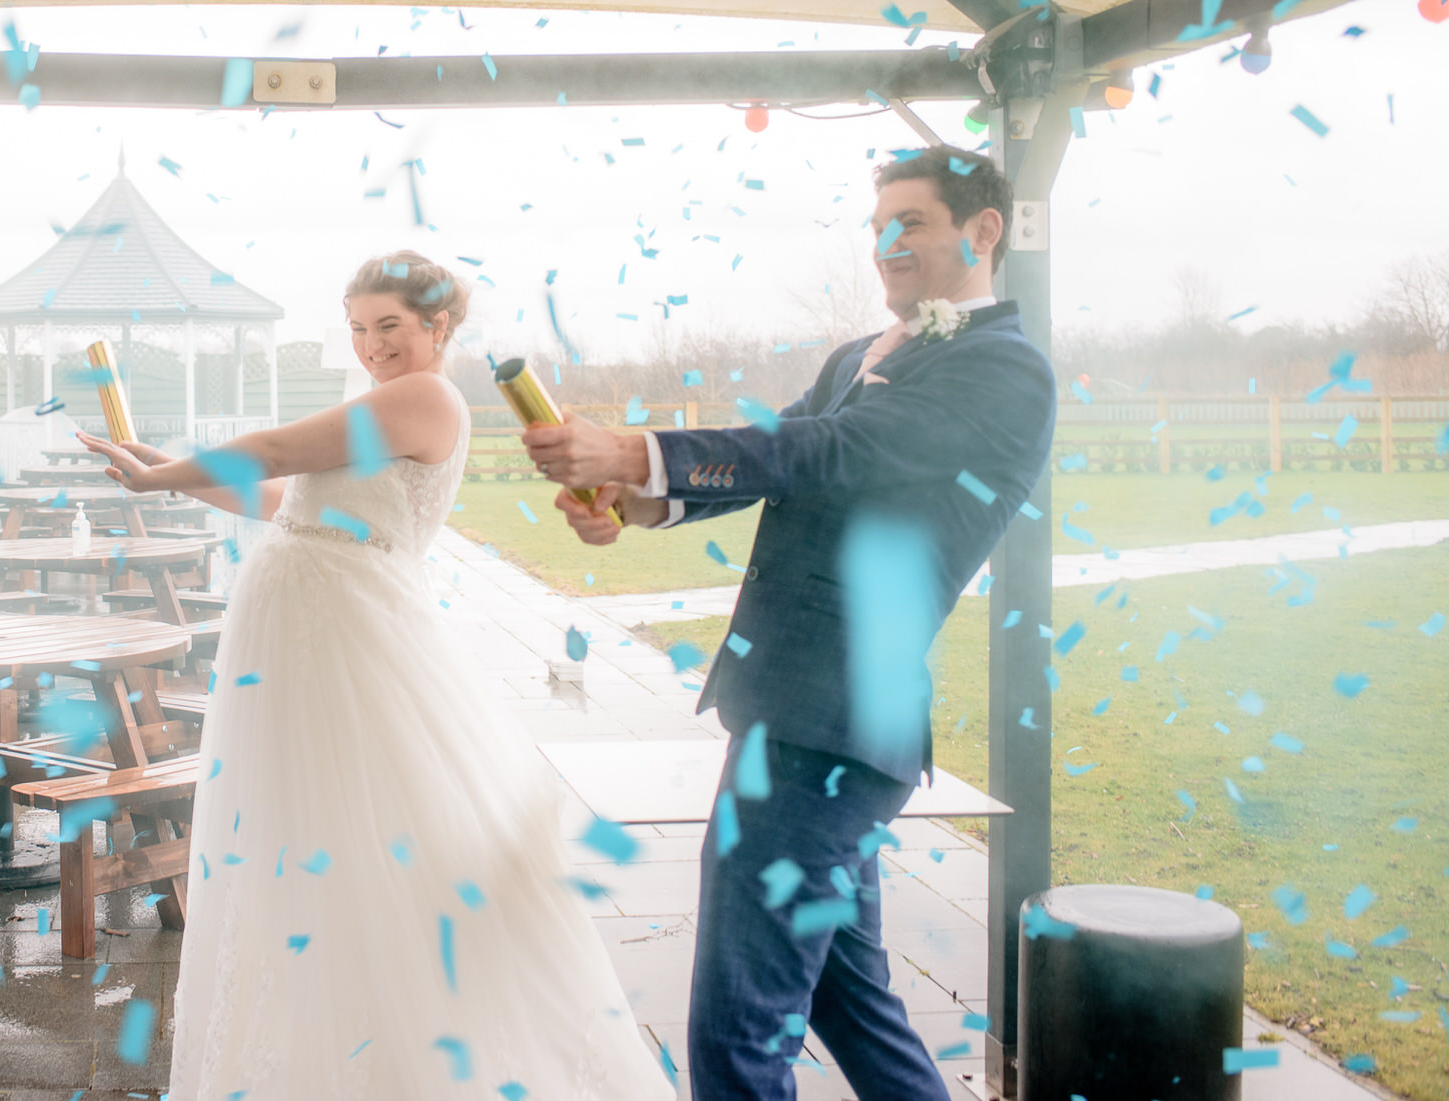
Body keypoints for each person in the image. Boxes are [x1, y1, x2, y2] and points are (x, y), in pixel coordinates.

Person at [523, 146, 1057, 1100]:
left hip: (830, 728)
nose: (887, 243)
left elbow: (835, 448)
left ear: (984, 232)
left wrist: (641, 446)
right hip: (800, 715)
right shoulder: (859, 354)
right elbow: (785, 468)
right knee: (853, 1003)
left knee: (738, 1032)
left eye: (914, 222)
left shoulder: (1007, 371)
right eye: (878, 223)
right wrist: (641, 500)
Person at [80, 251, 674, 1101]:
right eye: (359, 330)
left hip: (351, 640)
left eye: (389, 326)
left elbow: (281, 446)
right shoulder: (388, 401)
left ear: (437, 326)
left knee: (375, 834)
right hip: (304, 639)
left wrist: (163, 469)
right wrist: (169, 472)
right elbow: (286, 496)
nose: (372, 346)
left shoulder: (426, 395)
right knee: (314, 833)